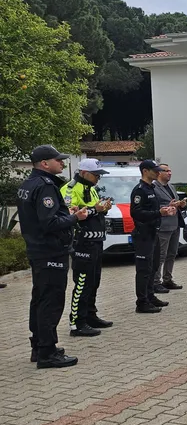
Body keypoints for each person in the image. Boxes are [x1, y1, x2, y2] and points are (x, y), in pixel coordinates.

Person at [17, 145, 86, 368]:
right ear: (45, 163)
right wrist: (75, 218)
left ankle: (38, 346)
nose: (62, 163)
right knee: (51, 301)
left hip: (37, 250)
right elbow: (49, 223)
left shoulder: (28, 184)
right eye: (58, 160)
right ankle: (47, 353)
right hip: (50, 251)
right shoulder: (45, 186)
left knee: (39, 298)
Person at [60, 158, 114, 337]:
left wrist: (103, 208)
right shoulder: (69, 188)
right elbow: (70, 215)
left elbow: (93, 211)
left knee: (94, 282)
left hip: (96, 242)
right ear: (83, 173)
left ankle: (90, 315)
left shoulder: (91, 188)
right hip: (81, 243)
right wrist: (95, 209)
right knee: (82, 283)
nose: (98, 178)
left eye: (100, 175)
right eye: (95, 175)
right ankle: (77, 323)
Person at [131, 160, 177, 313]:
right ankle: (142, 302)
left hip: (154, 232)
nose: (158, 172)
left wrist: (165, 209)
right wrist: (158, 213)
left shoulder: (151, 188)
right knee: (144, 270)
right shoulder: (140, 190)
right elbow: (136, 213)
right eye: (154, 170)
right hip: (143, 235)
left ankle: (150, 296)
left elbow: (154, 210)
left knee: (154, 265)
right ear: (145, 171)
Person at [153, 164, 187, 293]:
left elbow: (175, 202)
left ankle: (167, 279)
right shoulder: (154, 188)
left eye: (170, 171)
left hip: (175, 224)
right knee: (160, 255)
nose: (169, 173)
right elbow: (153, 206)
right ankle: (155, 282)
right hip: (163, 226)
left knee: (172, 254)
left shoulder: (171, 187)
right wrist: (168, 205)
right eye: (166, 171)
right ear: (159, 172)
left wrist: (181, 204)